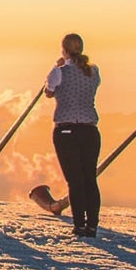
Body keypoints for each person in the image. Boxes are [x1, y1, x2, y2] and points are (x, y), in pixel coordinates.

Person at [45, 33, 102, 238]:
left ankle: (79, 224)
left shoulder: (59, 72)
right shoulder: (93, 71)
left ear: (64, 50)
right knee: (89, 179)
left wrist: (57, 65)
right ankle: (92, 224)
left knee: (75, 181)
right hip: (90, 130)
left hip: (66, 130)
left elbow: (49, 92)